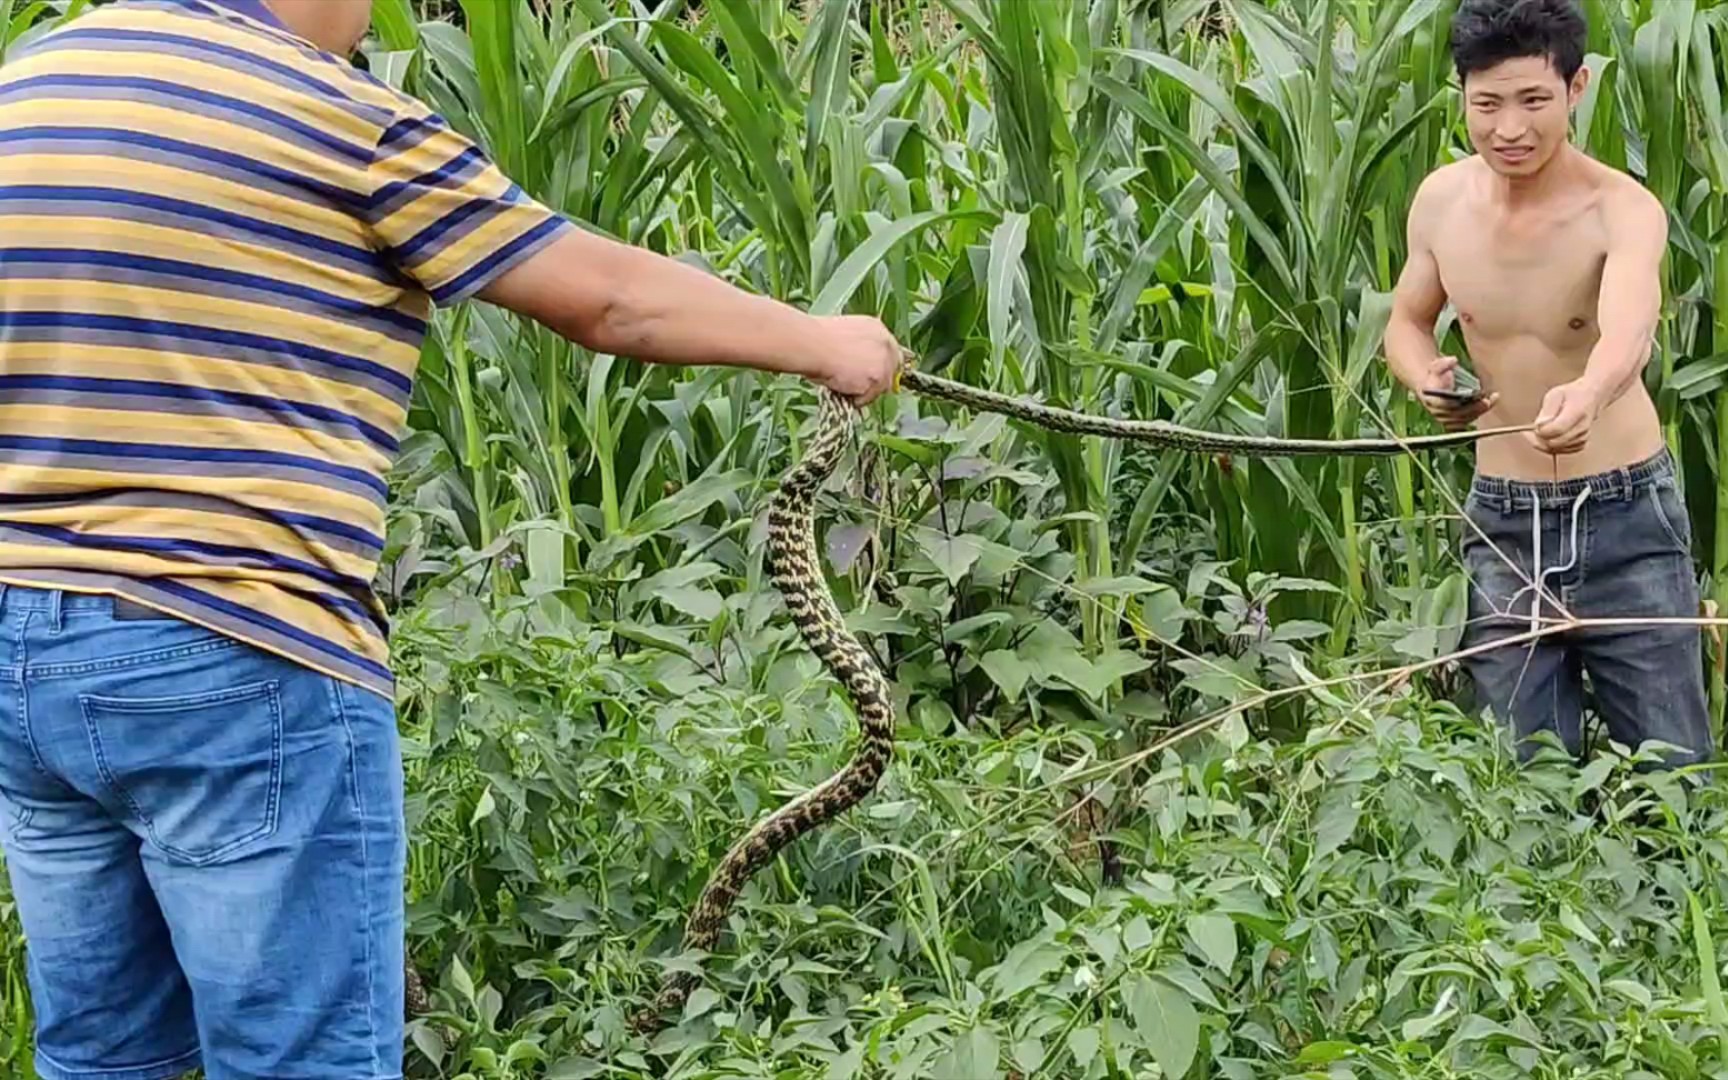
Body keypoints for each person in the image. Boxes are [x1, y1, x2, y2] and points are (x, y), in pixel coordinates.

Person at [0, 0, 900, 1077]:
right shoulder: (339, 115)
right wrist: (821, 341)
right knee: (303, 1060)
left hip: (24, 657)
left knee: (104, 1059)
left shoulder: (34, 81)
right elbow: (610, 303)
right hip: (238, 649)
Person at [1383, 0, 1712, 770]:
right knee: (1520, 780)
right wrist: (1424, 375)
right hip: (1504, 523)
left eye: (1533, 101)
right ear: (1460, 94)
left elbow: (1630, 329)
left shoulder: (1621, 209)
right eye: (1487, 104)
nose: (1509, 129)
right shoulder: (1439, 202)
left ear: (1576, 88)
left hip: (1627, 515)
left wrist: (1591, 391)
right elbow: (1405, 322)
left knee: (1673, 776)